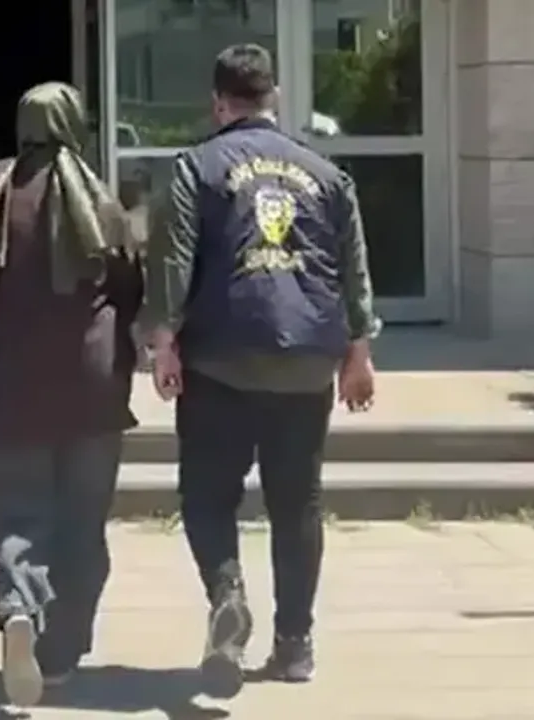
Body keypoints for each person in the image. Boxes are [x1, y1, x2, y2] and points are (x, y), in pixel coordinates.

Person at [141, 44, 379, 699]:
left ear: (219, 102)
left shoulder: (196, 167)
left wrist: (163, 341)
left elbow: (174, 261)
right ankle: (295, 644)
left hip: (221, 356)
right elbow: (353, 266)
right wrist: (359, 351)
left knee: (206, 496)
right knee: (297, 503)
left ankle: (228, 596)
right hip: (307, 359)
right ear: (273, 97)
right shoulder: (326, 174)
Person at [0, 81, 142, 707]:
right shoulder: (101, 200)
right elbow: (131, 291)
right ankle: (61, 656)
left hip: (11, 385)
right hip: (92, 388)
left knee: (18, 514)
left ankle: (19, 609)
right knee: (83, 525)